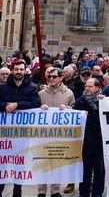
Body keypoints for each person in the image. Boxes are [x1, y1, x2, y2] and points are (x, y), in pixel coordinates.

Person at [0, 61, 40, 197]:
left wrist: (17, 105)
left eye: (21, 69)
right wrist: (4, 106)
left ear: (25, 71)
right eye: (16, 69)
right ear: (12, 70)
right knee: (1, 164)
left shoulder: (32, 88)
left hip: (22, 134)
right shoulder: (2, 88)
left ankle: (17, 192)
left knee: (20, 164)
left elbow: (36, 103)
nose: (19, 72)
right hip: (3, 133)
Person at [38, 67, 75, 197]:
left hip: (60, 134)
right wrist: (40, 108)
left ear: (61, 77)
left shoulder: (69, 93)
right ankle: (41, 191)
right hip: (43, 134)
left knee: (57, 163)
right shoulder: (41, 93)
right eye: (49, 77)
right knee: (42, 163)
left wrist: (67, 108)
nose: (51, 79)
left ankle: (55, 190)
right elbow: (34, 110)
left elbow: (74, 111)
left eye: (54, 76)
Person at [73, 78, 104, 197]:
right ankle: (84, 193)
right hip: (85, 142)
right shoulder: (80, 101)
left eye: (90, 86)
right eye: (86, 86)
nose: (87, 88)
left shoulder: (104, 101)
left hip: (99, 142)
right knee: (85, 171)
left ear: (97, 87)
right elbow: (72, 117)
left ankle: (97, 193)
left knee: (99, 171)